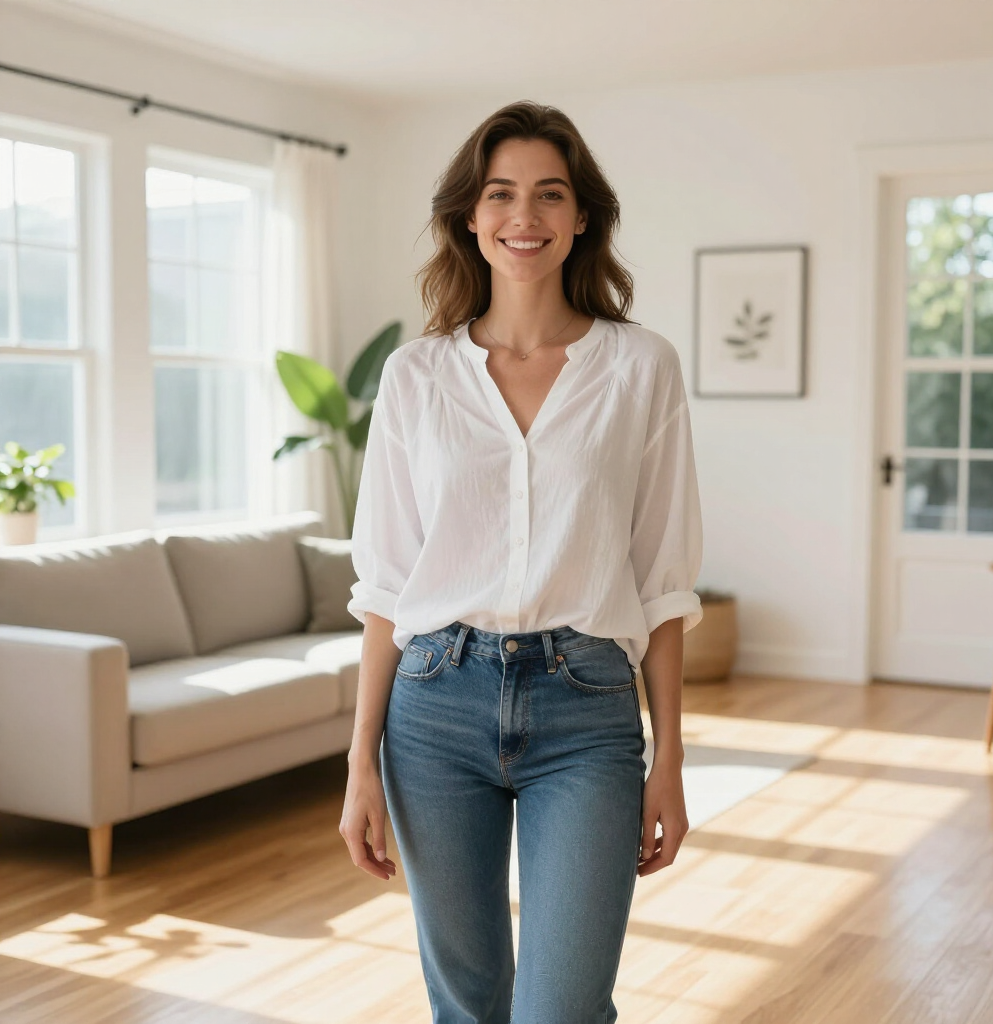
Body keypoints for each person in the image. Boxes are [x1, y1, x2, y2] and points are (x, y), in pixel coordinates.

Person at [339, 99, 704, 1024]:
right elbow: (385, 584)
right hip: (433, 705)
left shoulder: (640, 367)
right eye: (501, 194)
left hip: (585, 709)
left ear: (583, 217)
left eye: (551, 194)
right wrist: (358, 767)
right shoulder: (416, 377)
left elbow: (662, 583)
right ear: (471, 216)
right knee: (464, 1007)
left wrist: (669, 761)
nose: (525, 216)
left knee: (564, 1009)